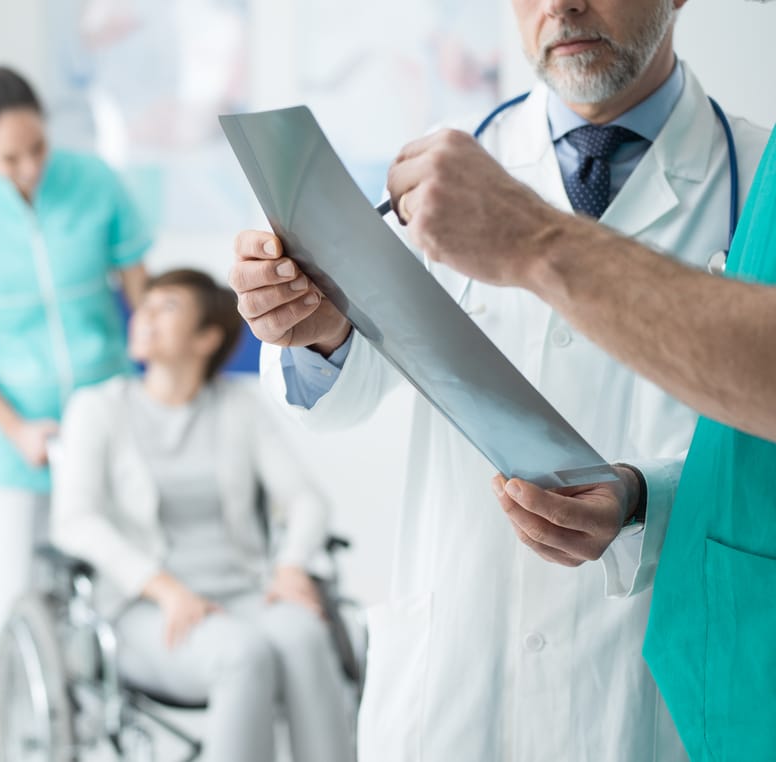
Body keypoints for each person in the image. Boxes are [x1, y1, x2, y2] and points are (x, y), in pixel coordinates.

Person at [228, 1, 771, 759]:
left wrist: (645, 499)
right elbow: (340, 402)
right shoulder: (449, 170)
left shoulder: (757, 180)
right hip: (452, 683)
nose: (560, 4)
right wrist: (319, 332)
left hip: (640, 687)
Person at [0, 58, 152, 683]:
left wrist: (157, 384)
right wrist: (14, 426)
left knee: (123, 586)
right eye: (11, 158)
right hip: (7, 426)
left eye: (38, 147)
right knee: (7, 600)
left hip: (105, 410)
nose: (32, 168)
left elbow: (146, 304)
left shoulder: (93, 179)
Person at [50, 269, 355, 762]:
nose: (145, 315)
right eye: (145, 305)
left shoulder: (238, 406)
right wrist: (166, 590)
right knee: (241, 654)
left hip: (246, 591)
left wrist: (291, 566)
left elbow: (306, 499)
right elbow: (74, 521)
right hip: (147, 609)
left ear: (207, 337)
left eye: (166, 307)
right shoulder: (97, 409)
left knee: (303, 635)